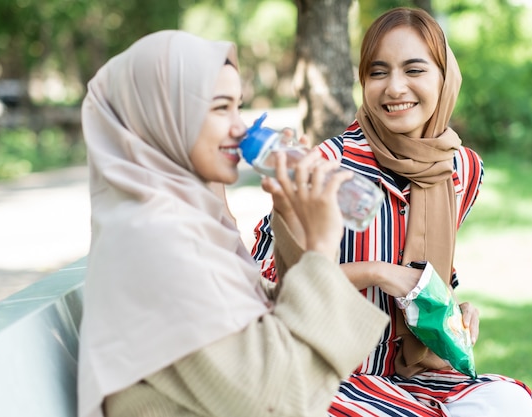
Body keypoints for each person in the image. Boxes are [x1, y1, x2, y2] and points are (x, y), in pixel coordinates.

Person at [251, 7, 532, 417]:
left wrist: (451, 312)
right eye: (377, 72)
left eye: (414, 70)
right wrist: (376, 272)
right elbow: (266, 289)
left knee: (512, 403)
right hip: (325, 371)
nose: (394, 88)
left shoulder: (462, 170)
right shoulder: (325, 167)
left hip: (415, 372)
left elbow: (427, 271)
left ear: (445, 77)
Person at [77, 30, 389, 417]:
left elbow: (267, 328)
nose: (241, 128)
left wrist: (291, 217)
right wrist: (323, 248)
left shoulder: (182, 220)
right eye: (221, 108)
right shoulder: (154, 238)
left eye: (238, 107)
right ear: (164, 115)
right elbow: (277, 396)